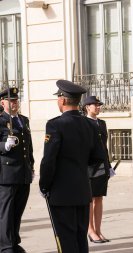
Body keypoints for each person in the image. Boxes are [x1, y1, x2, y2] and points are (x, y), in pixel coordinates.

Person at [39, 80, 104, 253]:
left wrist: (44, 185)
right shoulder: (90, 124)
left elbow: (48, 160)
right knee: (80, 238)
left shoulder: (55, 125)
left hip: (61, 193)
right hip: (83, 190)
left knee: (66, 240)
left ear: (62, 100)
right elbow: (98, 156)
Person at [0, 88, 34, 253]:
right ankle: (5, 246)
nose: (14, 103)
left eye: (16, 100)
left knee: (18, 210)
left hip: (23, 172)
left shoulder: (23, 120)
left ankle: (14, 241)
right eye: (11, 100)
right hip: (7, 173)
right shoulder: (0, 120)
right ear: (2, 103)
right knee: (6, 212)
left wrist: (31, 165)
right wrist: (4, 145)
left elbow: (29, 145)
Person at [82, 96, 115, 243]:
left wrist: (108, 165)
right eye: (95, 105)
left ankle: (98, 230)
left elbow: (104, 146)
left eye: (99, 105)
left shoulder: (102, 123)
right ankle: (90, 230)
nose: (98, 107)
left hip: (102, 165)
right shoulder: (83, 123)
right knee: (89, 199)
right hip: (89, 166)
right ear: (87, 107)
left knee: (99, 198)